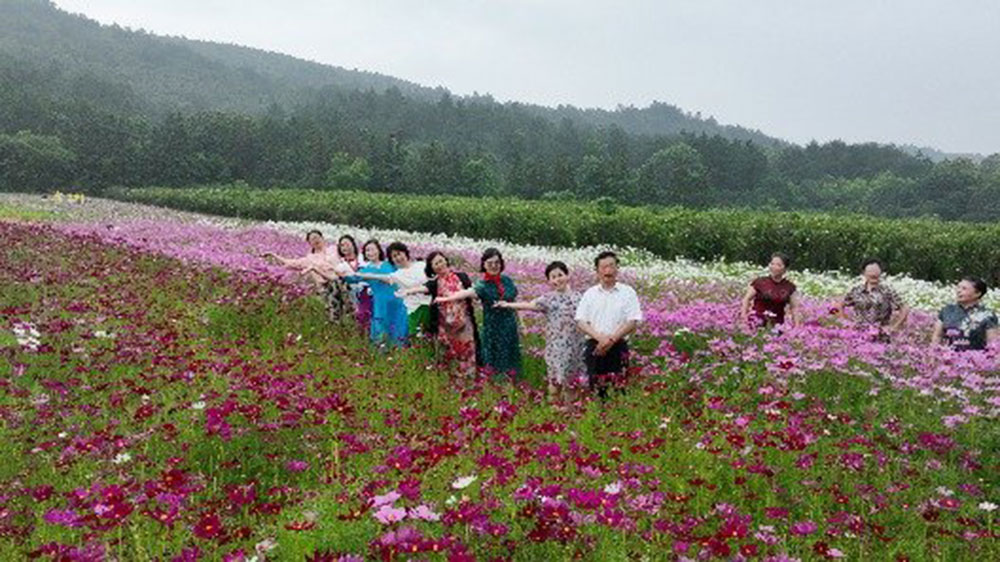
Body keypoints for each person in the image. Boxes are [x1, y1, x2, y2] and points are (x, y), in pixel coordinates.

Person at [497, 260, 585, 402]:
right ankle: (554, 407)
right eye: (553, 277)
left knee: (573, 382)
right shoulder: (548, 298)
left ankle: (571, 409)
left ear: (567, 275)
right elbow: (529, 305)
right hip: (557, 347)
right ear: (549, 281)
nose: (557, 279)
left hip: (577, 346)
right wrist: (508, 305)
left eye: (560, 275)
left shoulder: (579, 297)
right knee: (555, 381)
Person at [435, 248, 522, 381]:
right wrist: (446, 298)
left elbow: (514, 302)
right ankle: (495, 384)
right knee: (495, 357)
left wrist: (522, 323)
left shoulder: (507, 281)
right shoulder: (482, 285)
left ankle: (511, 381)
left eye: (497, 262)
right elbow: (466, 293)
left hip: (510, 326)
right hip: (493, 328)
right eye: (490, 263)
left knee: (510, 355)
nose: (494, 266)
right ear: (484, 265)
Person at [398, 251, 480, 375]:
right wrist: (409, 291)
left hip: (464, 323)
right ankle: (453, 378)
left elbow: (472, 292)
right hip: (445, 326)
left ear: (446, 261)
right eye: (436, 264)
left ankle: (469, 377)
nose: (440, 265)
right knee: (450, 352)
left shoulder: (462, 276)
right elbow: (423, 288)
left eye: (441, 261)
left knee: (467, 350)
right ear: (432, 268)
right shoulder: (435, 283)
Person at [575, 251, 642, 398]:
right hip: (595, 346)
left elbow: (632, 321)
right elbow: (580, 321)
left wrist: (611, 340)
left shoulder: (628, 292)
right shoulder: (590, 294)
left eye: (612, 266)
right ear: (597, 271)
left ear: (617, 268)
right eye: (604, 267)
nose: (608, 271)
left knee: (619, 389)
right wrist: (600, 338)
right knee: (596, 389)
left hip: (618, 346)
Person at [262, 230, 355, 323]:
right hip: (327, 287)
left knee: (350, 308)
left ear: (322, 238)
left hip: (343, 282)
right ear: (309, 243)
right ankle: (338, 325)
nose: (315, 240)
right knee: (335, 311)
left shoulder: (334, 249)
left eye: (317, 237)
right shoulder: (309, 259)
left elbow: (348, 253)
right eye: (312, 239)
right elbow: (291, 263)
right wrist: (274, 255)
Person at [351, 242, 431, 340]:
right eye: (394, 256)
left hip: (420, 304)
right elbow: (354, 278)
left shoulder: (419, 265)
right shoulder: (395, 274)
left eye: (399, 254)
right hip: (387, 305)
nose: (398, 258)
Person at [345, 240, 408, 348]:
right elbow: (352, 278)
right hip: (380, 304)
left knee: (399, 330)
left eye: (373, 249)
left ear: (379, 250)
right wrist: (342, 273)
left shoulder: (390, 264)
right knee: (381, 330)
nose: (370, 252)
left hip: (396, 302)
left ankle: (400, 352)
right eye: (367, 250)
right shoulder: (365, 270)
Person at [841, 258, 909, 338]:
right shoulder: (856, 291)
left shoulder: (887, 291)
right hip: (858, 335)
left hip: (881, 336)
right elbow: (838, 305)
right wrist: (846, 322)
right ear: (864, 273)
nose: (874, 274)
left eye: (876, 271)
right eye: (870, 271)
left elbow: (904, 308)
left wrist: (894, 327)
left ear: (880, 272)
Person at [932, 276, 998, 351]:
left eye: (964, 288)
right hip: (949, 356)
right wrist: (934, 353)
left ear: (977, 293)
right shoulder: (947, 310)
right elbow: (937, 336)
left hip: (977, 357)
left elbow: (992, 343)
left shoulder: (987, 315)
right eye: (958, 287)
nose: (958, 291)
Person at [740, 252, 800, 329]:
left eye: (778, 265)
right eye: (772, 264)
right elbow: (746, 299)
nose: (774, 267)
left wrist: (797, 326)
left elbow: (794, 308)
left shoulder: (789, 287)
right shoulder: (760, 282)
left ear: (785, 269)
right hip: (756, 323)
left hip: (777, 326)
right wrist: (744, 317)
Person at [338, 234, 371, 334]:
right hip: (353, 295)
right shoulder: (341, 265)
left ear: (353, 245)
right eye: (342, 245)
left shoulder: (363, 258)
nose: (345, 247)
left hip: (369, 292)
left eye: (347, 244)